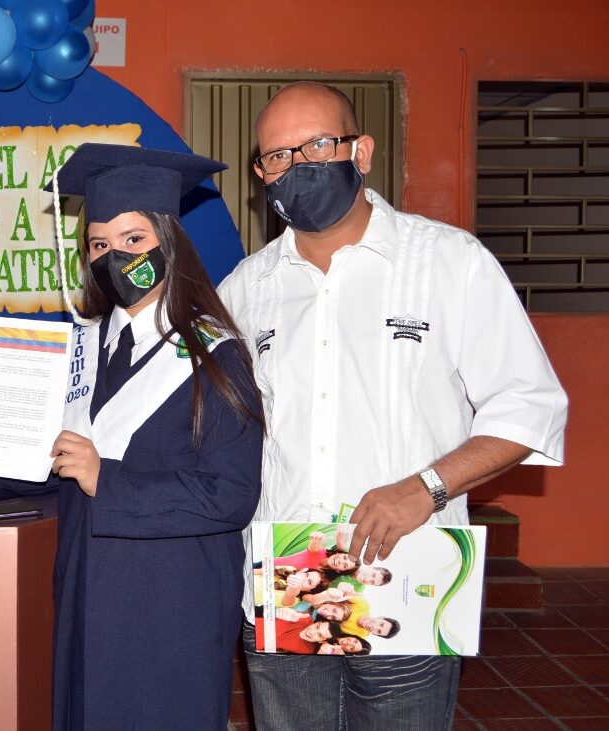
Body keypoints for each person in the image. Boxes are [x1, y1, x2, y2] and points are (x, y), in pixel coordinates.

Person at [218, 81, 569, 729]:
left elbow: (529, 406)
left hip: (407, 571)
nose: (297, 166)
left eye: (317, 145)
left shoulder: (448, 263)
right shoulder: (244, 289)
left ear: (362, 151)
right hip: (284, 585)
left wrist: (427, 487)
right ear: (261, 173)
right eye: (277, 156)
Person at [0, 144, 264, 730]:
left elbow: (230, 494)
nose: (115, 257)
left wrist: (110, 478)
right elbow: (46, 462)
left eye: (133, 239)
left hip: (171, 604)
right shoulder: (82, 348)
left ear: (169, 242)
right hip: (87, 590)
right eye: (99, 245)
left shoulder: (213, 355)